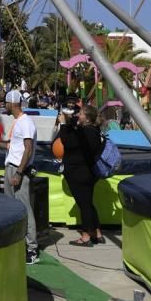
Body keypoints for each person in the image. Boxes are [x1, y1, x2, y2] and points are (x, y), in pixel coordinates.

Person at [0, 90, 39, 265]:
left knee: (25, 208)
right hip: (12, 166)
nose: (4, 105)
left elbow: (28, 149)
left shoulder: (25, 122)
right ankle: (17, 242)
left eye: (5, 102)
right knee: (12, 206)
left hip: (19, 169)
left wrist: (19, 172)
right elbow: (17, 146)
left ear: (12, 103)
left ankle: (32, 248)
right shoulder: (19, 122)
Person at [59, 103, 105, 246]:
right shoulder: (93, 130)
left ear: (88, 118)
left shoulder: (85, 133)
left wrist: (62, 124)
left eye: (81, 114)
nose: (78, 115)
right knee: (88, 203)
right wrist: (71, 121)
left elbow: (67, 141)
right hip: (87, 172)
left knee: (84, 204)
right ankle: (96, 232)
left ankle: (86, 236)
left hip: (78, 172)